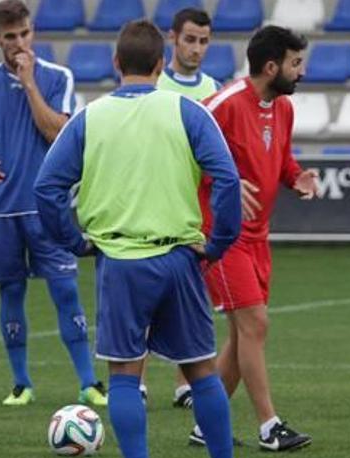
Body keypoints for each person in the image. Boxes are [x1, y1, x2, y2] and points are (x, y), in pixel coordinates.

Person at [35, 19, 247, 458]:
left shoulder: (90, 117)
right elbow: (228, 180)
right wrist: (217, 244)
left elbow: (47, 188)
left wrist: (74, 241)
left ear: (115, 64)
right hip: (179, 257)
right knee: (201, 372)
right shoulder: (187, 111)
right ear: (159, 64)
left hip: (120, 261)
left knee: (125, 376)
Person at [0, 0, 106, 407]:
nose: (18, 43)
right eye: (10, 37)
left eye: (24, 34)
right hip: (1, 211)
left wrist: (29, 84)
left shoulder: (56, 77)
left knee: (66, 291)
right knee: (10, 295)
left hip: (47, 209)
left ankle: (87, 382)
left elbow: (58, 134)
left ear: (33, 32)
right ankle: (21, 384)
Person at [191, 25, 317, 452]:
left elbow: (280, 160)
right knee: (254, 324)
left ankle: (205, 424)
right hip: (222, 237)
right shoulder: (224, 103)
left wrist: (297, 177)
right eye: (295, 63)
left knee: (244, 333)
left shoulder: (282, 109)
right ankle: (270, 427)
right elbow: (185, 146)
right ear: (271, 66)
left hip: (258, 237)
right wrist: (222, 178)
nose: (302, 72)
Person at [148, 6, 222, 409]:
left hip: (194, 207)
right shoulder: (153, 83)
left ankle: (184, 382)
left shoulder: (214, 88)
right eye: (190, 39)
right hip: (153, 201)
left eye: (204, 41)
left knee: (193, 297)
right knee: (145, 296)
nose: (196, 48)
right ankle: (136, 379)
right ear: (173, 38)